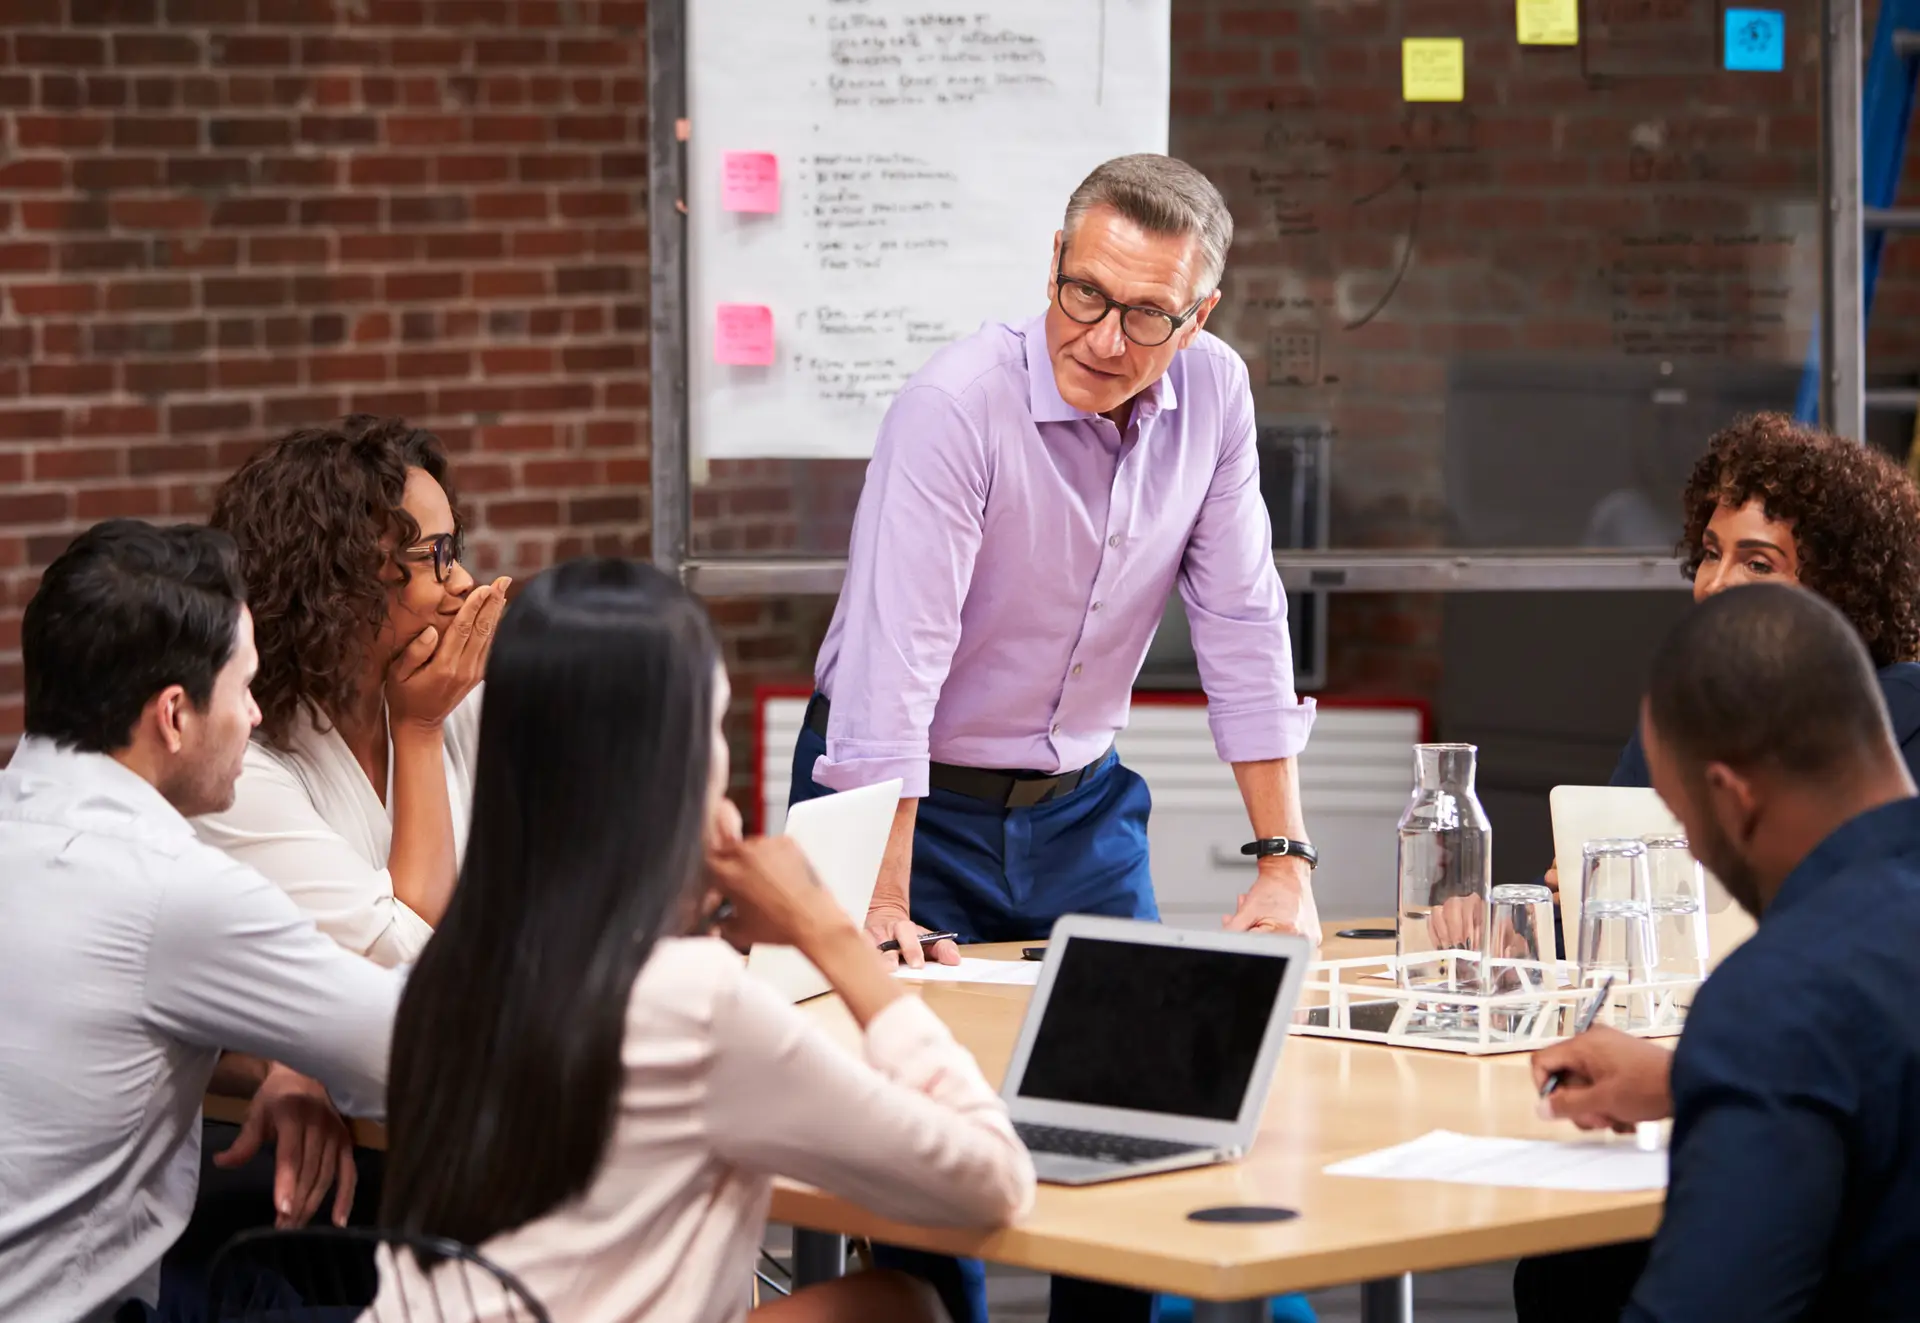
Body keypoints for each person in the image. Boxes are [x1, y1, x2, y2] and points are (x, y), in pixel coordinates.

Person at [375, 559, 1034, 1323]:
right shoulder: (695, 1003)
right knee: (908, 1305)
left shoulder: (446, 968)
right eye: (713, 726)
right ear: (670, 763)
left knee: (884, 1298)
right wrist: (828, 934)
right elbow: (995, 1179)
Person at [0, 520, 403, 1323]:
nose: (256, 718)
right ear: (174, 715)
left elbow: (94, 1038)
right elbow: (419, 1050)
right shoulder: (173, 885)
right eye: (246, 687)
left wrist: (274, 1060)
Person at [1527, 584, 1920, 1322]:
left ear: (1732, 798)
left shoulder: (1780, 997)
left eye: (1680, 822)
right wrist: (1689, 1076)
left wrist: (1740, 1049)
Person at [194, 416, 510, 967]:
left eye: (454, 549)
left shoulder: (455, 697)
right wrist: (419, 732)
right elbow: (401, 958)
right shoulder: (241, 768)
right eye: (434, 556)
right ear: (338, 583)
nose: (462, 582)